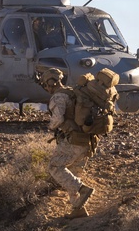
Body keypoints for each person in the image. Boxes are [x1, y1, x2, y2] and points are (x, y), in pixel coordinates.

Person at [38, 67, 97, 219]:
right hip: (87, 140)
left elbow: (58, 119)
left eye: (45, 84)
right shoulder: (73, 92)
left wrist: (50, 126)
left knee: (55, 167)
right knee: (73, 173)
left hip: (73, 140)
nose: (46, 88)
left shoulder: (58, 97)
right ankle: (78, 208)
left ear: (50, 82)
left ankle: (83, 190)